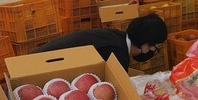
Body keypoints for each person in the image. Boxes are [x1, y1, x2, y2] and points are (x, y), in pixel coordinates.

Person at [33, 13, 166, 71]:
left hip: (37, 59)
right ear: (145, 43)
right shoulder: (117, 55)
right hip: (37, 66)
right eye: (155, 47)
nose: (153, 51)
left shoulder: (117, 37)